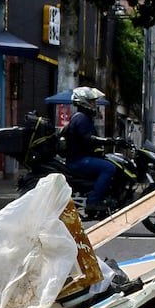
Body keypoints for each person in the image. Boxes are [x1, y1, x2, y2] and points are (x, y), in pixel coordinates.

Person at [62, 86, 116, 215]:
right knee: (109, 168)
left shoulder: (83, 117)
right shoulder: (81, 118)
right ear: (84, 102)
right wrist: (109, 141)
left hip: (80, 158)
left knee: (110, 162)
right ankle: (94, 202)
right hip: (78, 160)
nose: (95, 104)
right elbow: (89, 138)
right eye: (92, 101)